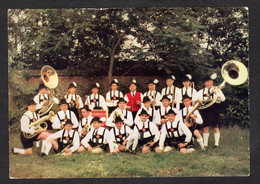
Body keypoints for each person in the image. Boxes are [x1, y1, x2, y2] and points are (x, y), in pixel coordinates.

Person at [197, 73, 225, 148]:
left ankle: (216, 144)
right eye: (206, 82)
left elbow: (223, 99)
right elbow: (195, 99)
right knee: (205, 127)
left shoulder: (217, 89)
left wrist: (216, 93)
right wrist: (198, 99)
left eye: (209, 81)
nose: (208, 83)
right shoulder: (201, 91)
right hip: (205, 109)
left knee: (215, 127)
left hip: (214, 109)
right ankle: (205, 144)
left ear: (212, 82)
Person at [33, 83, 59, 148]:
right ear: (39, 90)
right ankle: (37, 146)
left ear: (45, 90)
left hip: (48, 115)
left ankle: (48, 144)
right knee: (40, 130)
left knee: (50, 129)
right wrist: (42, 104)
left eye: (44, 90)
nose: (43, 91)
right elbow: (35, 107)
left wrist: (52, 96)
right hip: (40, 115)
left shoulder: (48, 95)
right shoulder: (36, 97)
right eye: (41, 90)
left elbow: (57, 102)